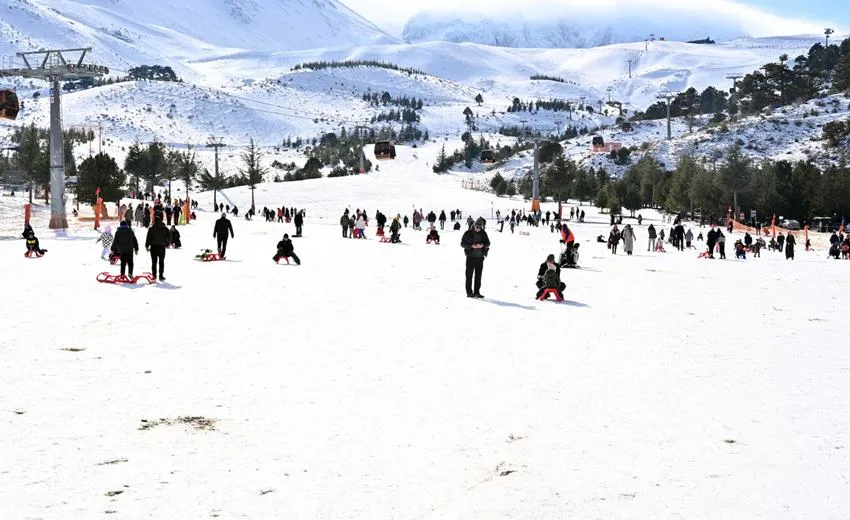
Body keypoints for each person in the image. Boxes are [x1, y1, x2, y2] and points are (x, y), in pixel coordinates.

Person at [460, 217, 490, 298]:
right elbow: (462, 244)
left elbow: (488, 243)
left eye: (480, 227)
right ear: (474, 225)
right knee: (469, 275)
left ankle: (477, 292)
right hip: (470, 257)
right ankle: (469, 292)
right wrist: (471, 246)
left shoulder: (483, 233)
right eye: (477, 227)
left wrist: (483, 245)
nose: (478, 229)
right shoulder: (468, 233)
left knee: (478, 276)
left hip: (480, 257)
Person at [145, 215, 171, 281]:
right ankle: (161, 276)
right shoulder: (165, 228)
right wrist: (167, 243)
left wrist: (147, 246)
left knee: (154, 262)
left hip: (153, 247)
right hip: (162, 247)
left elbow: (148, 238)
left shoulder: (151, 228)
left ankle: (154, 276)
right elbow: (169, 237)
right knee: (161, 262)